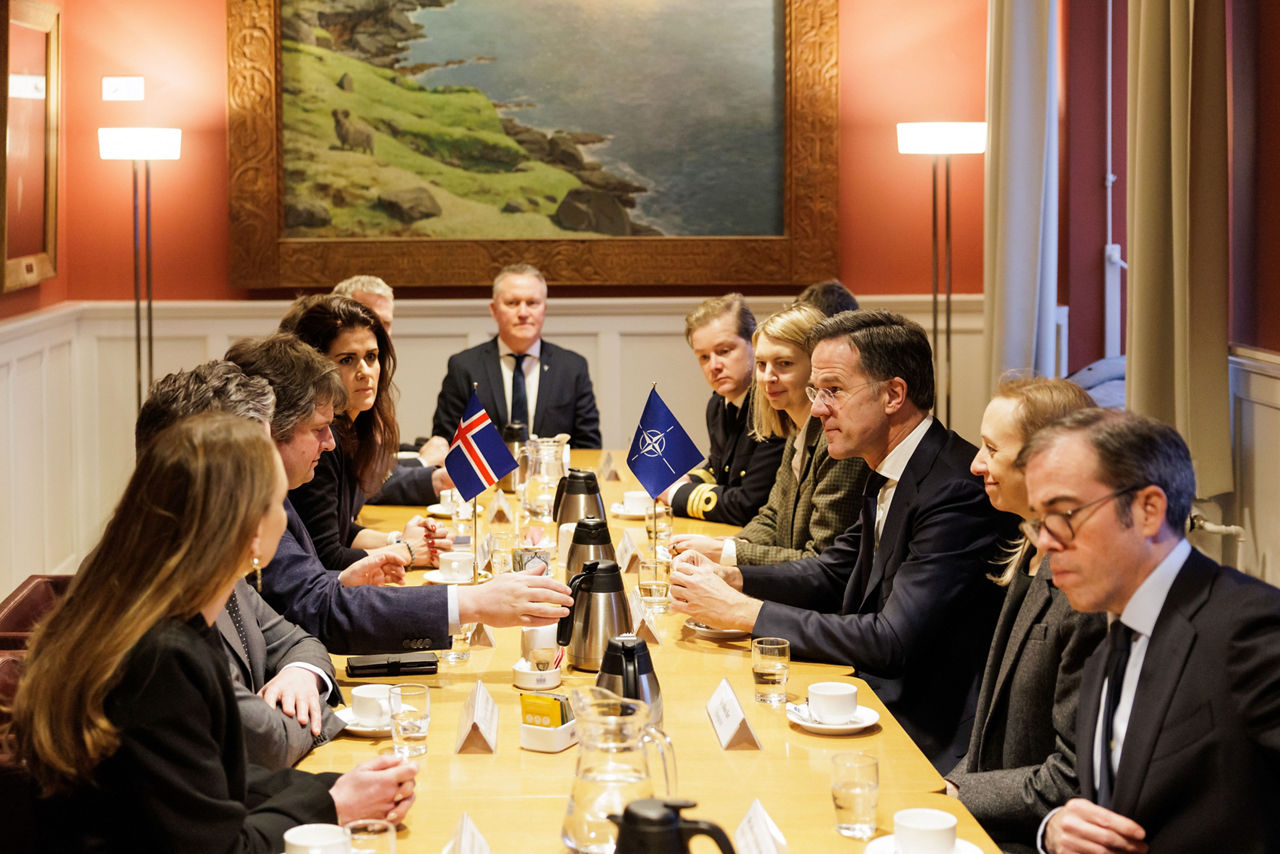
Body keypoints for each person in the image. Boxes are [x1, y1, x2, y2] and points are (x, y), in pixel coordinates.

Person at [3, 414, 418, 852]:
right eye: (280, 504)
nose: (288, 520)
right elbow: (222, 847)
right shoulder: (162, 657)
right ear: (252, 532)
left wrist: (332, 790)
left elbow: (212, 778)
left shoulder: (154, 613)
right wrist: (332, 806)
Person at [669, 309, 1016, 769]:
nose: (815, 408)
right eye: (816, 391)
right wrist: (733, 577)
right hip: (869, 697)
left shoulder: (953, 489)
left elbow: (891, 641)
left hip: (927, 733)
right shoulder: (891, 463)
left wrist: (744, 613)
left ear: (894, 394)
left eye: (832, 390)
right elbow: (833, 570)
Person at [1022, 409, 1280, 854]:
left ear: (1148, 510)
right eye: (1039, 520)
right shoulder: (1110, 645)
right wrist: (1056, 827)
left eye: (1063, 512)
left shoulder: (1248, 628)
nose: (1045, 541)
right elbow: (1112, 799)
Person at [226, 333, 573, 654]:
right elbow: (318, 611)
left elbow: (302, 600)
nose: (329, 442)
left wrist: (340, 581)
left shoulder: (270, 488)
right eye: (319, 429)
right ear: (269, 431)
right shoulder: (249, 502)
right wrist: (473, 602)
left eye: (373, 356)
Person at [135, 360, 347, 770]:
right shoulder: (159, 607)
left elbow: (297, 640)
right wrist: (309, 715)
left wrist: (303, 675)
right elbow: (266, 745)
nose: (273, 473)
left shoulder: (208, 555)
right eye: (260, 455)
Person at [944, 378, 1107, 853]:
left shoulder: (1087, 592)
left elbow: (1071, 777)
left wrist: (956, 793)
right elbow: (989, 732)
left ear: (1048, 461)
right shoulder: (1029, 548)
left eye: (992, 449)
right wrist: (947, 785)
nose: (976, 464)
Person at [669, 303, 867, 564]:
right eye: (762, 365)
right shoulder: (796, 430)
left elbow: (822, 562)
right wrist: (730, 545)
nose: (767, 377)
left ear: (816, 367)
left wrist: (727, 553)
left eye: (783, 364)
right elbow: (772, 516)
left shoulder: (840, 444)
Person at [281, 294, 451, 573]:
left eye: (371, 357)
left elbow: (342, 529)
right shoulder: (320, 439)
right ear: (318, 365)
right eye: (347, 359)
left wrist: (399, 540)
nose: (364, 371)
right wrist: (407, 552)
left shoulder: (354, 425)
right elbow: (326, 558)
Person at [425, 264, 601, 461]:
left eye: (532, 303)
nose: (523, 312)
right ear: (494, 310)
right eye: (512, 303)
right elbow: (446, 443)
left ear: (544, 309)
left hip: (551, 486)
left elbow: (589, 448)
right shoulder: (464, 367)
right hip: (485, 486)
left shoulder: (572, 368)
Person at [329, 276, 455, 507]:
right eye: (370, 321)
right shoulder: (329, 405)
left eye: (385, 324)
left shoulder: (371, 379)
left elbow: (372, 464)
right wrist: (421, 462)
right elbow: (365, 485)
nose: (380, 334)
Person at [660, 293, 785, 525]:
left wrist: (676, 494)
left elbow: (749, 504)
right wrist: (682, 480)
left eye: (724, 351)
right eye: (704, 357)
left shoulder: (774, 407)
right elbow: (720, 470)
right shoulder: (717, 405)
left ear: (754, 344)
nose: (714, 366)